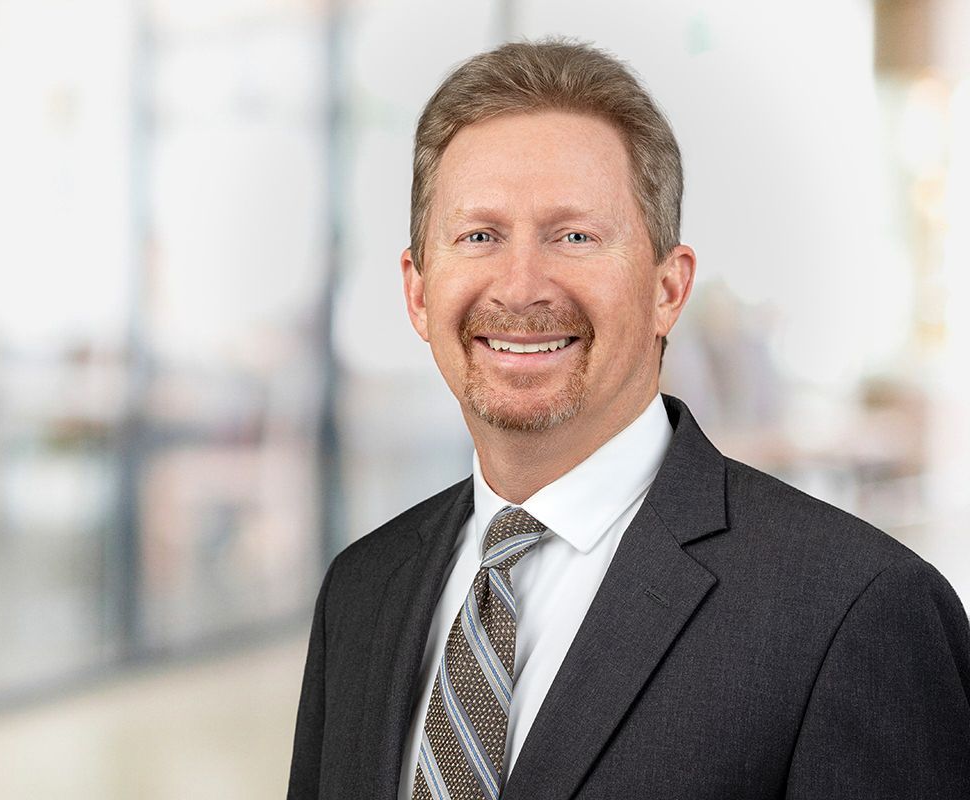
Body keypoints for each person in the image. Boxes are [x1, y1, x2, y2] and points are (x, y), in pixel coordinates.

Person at [287, 40, 970, 799]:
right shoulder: (361, 590)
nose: (520, 286)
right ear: (417, 291)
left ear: (668, 289)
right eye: (479, 235)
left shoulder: (857, 611)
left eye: (574, 235)